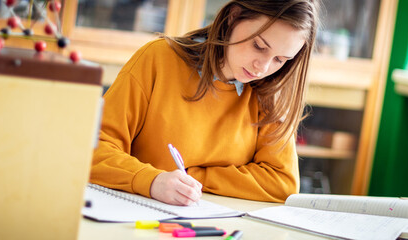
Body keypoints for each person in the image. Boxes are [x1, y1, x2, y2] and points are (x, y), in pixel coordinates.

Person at [90, 0, 320, 206]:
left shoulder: (269, 93)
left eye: (280, 59)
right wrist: (152, 181)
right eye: (258, 46)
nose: (263, 67)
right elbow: (93, 149)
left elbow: (282, 183)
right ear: (234, 16)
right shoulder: (158, 60)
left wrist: (193, 177)